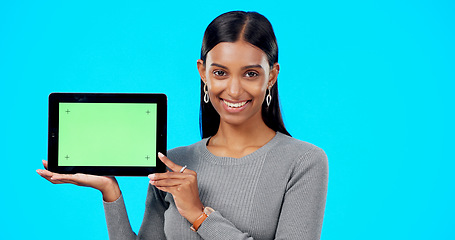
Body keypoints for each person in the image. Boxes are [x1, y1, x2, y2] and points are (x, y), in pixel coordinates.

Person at [37, 11, 328, 240]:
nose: (235, 90)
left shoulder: (303, 162)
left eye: (251, 73)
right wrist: (110, 192)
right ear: (203, 73)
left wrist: (199, 215)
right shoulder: (174, 162)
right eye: (220, 72)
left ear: (272, 76)